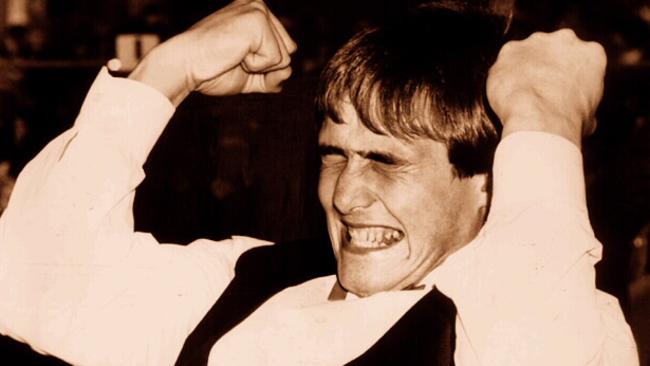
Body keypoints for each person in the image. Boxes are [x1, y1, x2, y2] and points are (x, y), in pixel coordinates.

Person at [0, 0, 639, 365]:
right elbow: (28, 285)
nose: (345, 194)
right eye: (335, 155)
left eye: (387, 161)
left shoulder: (549, 323)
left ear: (490, 182)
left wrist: (542, 116)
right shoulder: (246, 282)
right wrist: (169, 70)